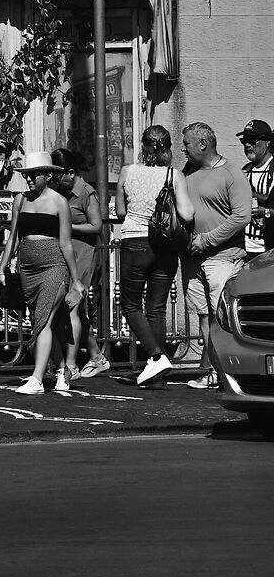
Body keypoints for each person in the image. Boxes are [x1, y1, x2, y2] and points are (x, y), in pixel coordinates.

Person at [171, 121, 253, 386]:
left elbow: (241, 216)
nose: (183, 149)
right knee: (205, 317)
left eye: (187, 143)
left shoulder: (232, 173)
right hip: (193, 258)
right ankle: (214, 373)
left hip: (223, 259)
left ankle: (229, 375)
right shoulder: (188, 172)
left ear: (203, 144)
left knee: (223, 318)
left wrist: (206, 240)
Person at [4, 149, 80, 396]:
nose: (28, 179)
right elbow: (13, 237)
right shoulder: (20, 200)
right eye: (26, 174)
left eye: (34, 174)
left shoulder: (59, 202)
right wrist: (1, 268)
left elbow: (66, 243)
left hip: (54, 266)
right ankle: (61, 371)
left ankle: (37, 379)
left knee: (44, 321)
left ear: (47, 175)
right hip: (27, 267)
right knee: (42, 321)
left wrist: (76, 279)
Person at [115, 124, 181, 386]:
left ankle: (156, 357)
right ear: (168, 147)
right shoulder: (173, 175)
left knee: (130, 305)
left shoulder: (128, 172)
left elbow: (120, 212)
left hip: (136, 242)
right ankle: (157, 376)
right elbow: (185, 213)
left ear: (142, 147)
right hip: (165, 244)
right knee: (156, 309)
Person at [53, 147, 106, 378]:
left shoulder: (86, 192)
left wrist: (67, 225)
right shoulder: (59, 192)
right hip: (64, 254)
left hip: (82, 254)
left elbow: (96, 226)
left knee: (73, 305)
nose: (54, 180)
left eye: (57, 175)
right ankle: (96, 356)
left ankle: (71, 365)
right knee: (72, 308)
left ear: (71, 172)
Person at [240, 119, 273, 257]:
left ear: (267, 142)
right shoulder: (244, 171)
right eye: (245, 140)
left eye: (253, 140)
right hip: (243, 249)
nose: (247, 144)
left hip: (268, 251)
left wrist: (264, 212)